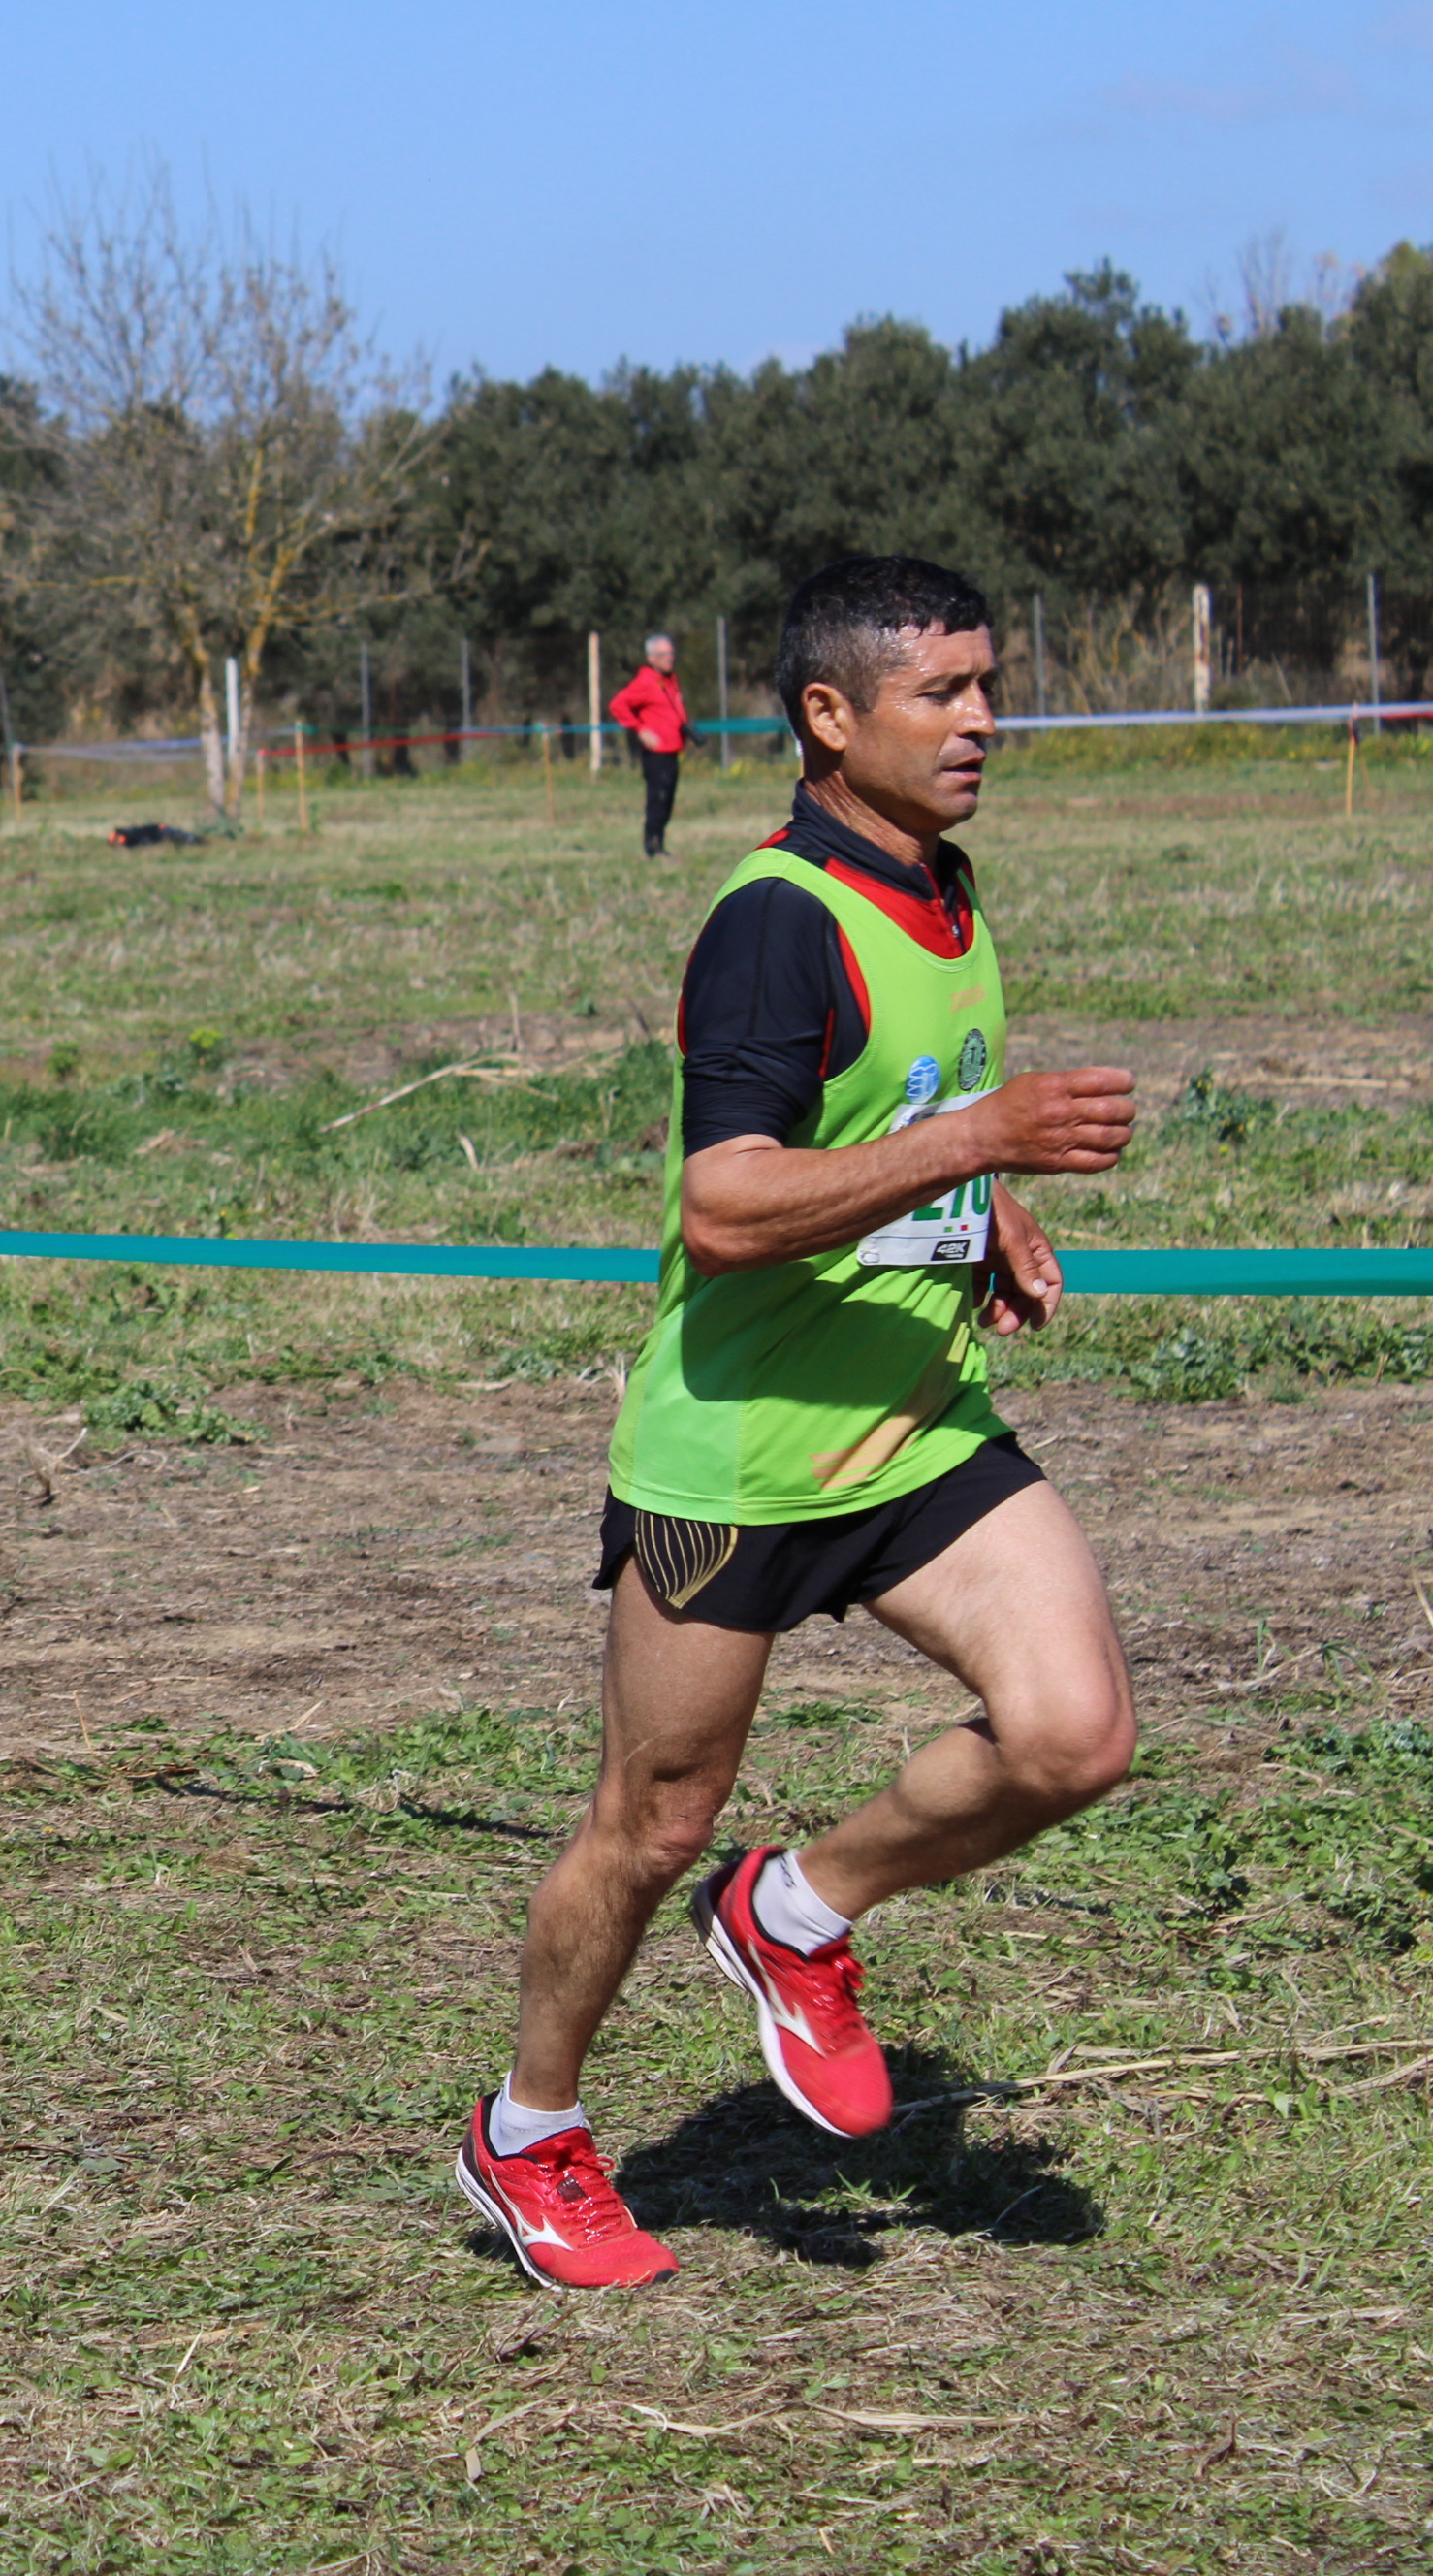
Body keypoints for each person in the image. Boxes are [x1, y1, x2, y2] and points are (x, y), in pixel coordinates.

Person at [456, 556, 1141, 2292]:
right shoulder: (777, 921)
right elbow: (728, 1206)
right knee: (647, 1826)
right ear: (829, 718)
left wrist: (981, 1212)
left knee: (1071, 1735)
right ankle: (527, 2132)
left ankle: (799, 1909)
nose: (981, 721)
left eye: (986, 686)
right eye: (940, 693)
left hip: (912, 1428)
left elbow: (890, 1108)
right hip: (740, 1460)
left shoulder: (940, 887)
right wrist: (979, 1144)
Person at [610, 634, 691, 857]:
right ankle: (652, 846)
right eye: (663, 654)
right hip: (656, 752)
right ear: (651, 658)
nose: (669, 658)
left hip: (672, 748)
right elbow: (618, 705)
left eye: (671, 653)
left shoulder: (669, 680)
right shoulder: (645, 682)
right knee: (658, 798)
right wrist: (640, 729)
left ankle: (659, 842)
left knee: (668, 798)